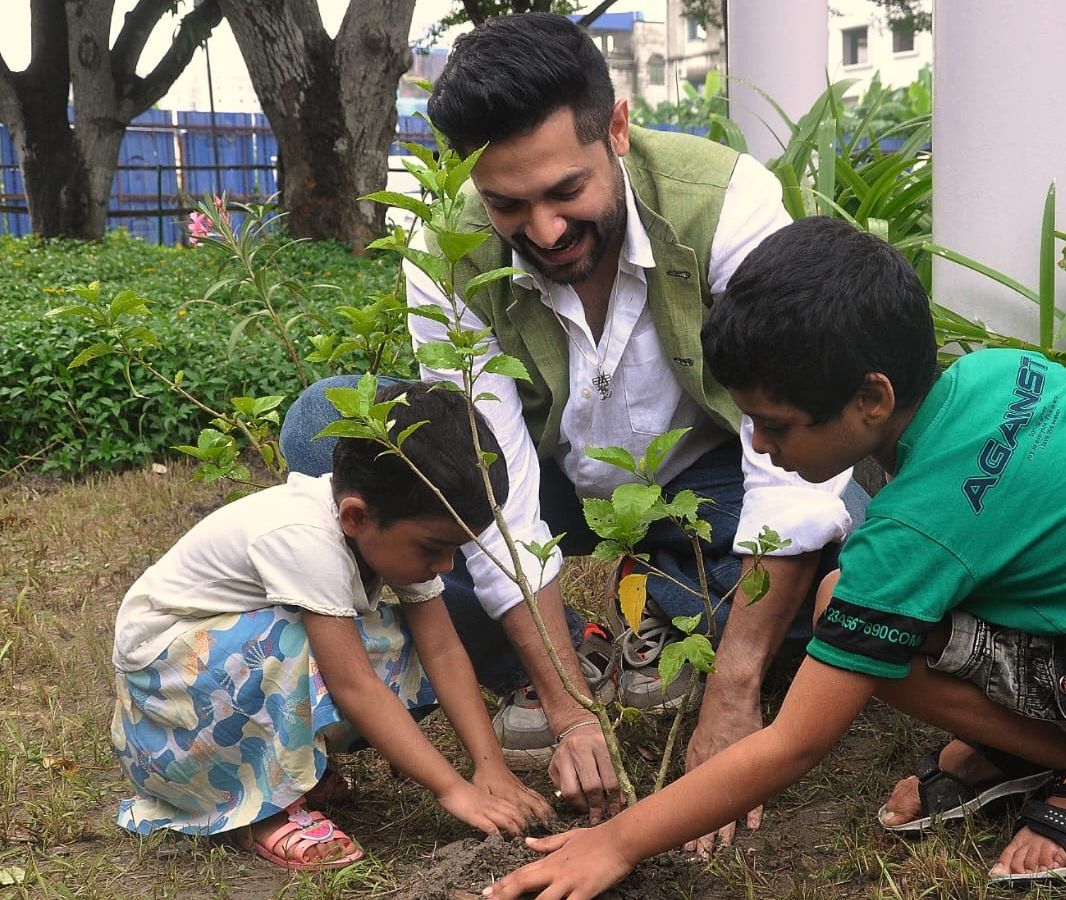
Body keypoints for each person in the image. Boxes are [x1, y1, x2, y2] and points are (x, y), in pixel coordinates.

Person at [476, 216, 1066, 897]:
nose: (758, 445)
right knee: (867, 596)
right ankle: (1010, 740)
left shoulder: (913, 533)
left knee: (860, 620)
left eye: (775, 423)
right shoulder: (993, 374)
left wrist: (613, 842)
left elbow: (794, 742)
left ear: (871, 401)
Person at [280, 11, 862, 840]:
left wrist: (735, 691)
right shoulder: (449, 253)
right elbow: (491, 489)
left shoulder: (725, 203)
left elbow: (788, 463)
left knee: (855, 538)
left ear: (617, 128)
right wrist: (570, 708)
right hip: (548, 482)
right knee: (323, 432)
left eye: (566, 192)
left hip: (711, 478)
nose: (545, 233)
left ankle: (680, 602)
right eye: (508, 205)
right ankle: (583, 646)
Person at [112, 381, 552, 871]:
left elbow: (443, 651)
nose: (447, 565)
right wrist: (454, 790)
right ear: (355, 516)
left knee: (397, 637)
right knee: (295, 644)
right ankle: (260, 811)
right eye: (433, 548)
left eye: (457, 549)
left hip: (216, 674)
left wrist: (489, 766)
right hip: (168, 706)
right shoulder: (303, 537)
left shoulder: (381, 527)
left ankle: (289, 767)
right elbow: (353, 684)